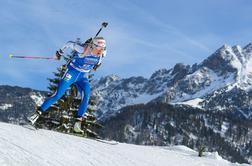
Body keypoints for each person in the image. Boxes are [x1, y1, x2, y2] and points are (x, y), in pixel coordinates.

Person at [27, 36, 107, 133]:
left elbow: (99, 61)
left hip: (83, 77)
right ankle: (36, 114)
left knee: (86, 96)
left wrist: (97, 65)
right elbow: (69, 43)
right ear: (92, 45)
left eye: (102, 48)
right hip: (71, 73)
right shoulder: (82, 49)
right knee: (58, 95)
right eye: (98, 48)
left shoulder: (102, 53)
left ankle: (77, 123)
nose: (100, 51)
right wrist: (59, 52)